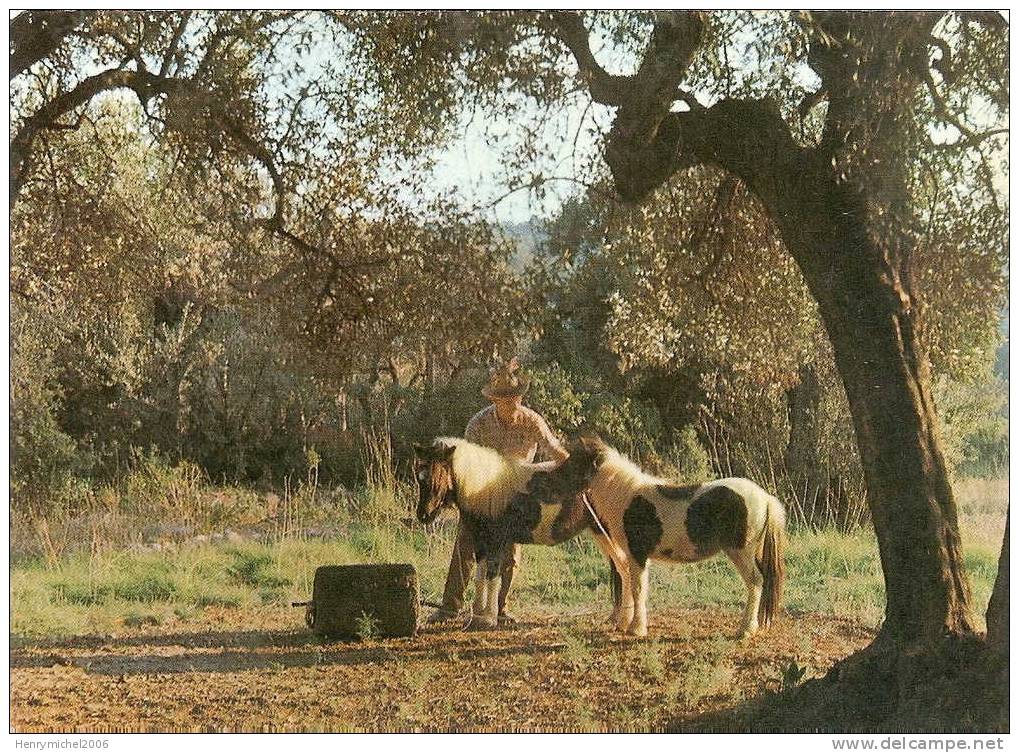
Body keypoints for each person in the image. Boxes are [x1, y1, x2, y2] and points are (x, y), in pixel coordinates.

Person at [427, 358, 569, 625]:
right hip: (484, 492)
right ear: (494, 400)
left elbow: (553, 449)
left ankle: (499, 609)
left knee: (511, 553)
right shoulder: (478, 424)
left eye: (514, 397)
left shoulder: (532, 421)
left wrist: (574, 467)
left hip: (518, 494)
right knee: (466, 544)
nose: (510, 403)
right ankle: (450, 608)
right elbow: (464, 464)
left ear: (520, 397)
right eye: (503, 398)